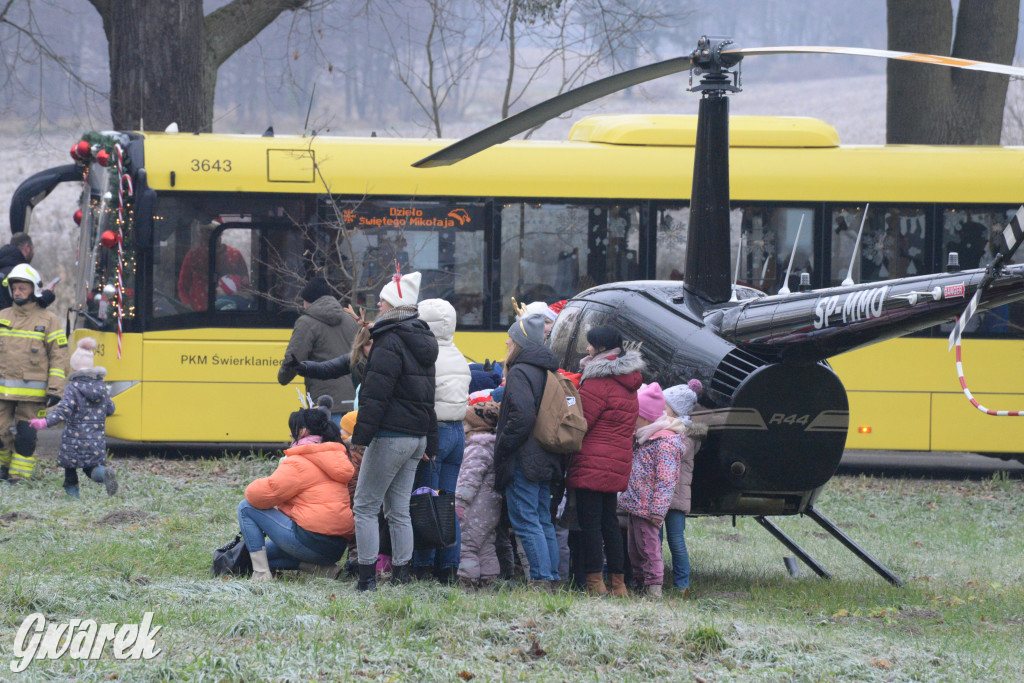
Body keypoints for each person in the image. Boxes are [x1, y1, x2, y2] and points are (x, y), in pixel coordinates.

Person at [349, 271, 438, 591]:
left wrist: (359, 440)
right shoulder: (423, 340)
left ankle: (366, 580)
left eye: (382, 301)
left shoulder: (389, 341)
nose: (378, 306)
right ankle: (400, 576)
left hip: (390, 436)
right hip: (416, 437)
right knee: (399, 510)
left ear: (395, 305)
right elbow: (429, 396)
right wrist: (432, 440)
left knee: (365, 506)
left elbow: (375, 396)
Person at [238, 396, 354, 581]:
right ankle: (320, 569)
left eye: (292, 431)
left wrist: (269, 475)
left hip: (310, 540)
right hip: (335, 548)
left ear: (302, 432)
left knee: (245, 507)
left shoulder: (299, 461)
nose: (290, 436)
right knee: (249, 558)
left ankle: (261, 574)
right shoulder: (335, 456)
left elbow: (257, 496)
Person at [565, 325, 644, 596]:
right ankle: (619, 584)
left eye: (590, 345)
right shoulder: (629, 380)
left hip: (592, 461)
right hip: (617, 461)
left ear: (600, 348)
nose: (587, 349)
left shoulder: (598, 381)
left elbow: (581, 420)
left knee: (591, 524)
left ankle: (594, 582)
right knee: (610, 521)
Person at [493, 312, 562, 589]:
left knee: (526, 520)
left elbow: (521, 417)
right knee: (543, 519)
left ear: (520, 340)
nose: (507, 341)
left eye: (511, 337)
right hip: (545, 454)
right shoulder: (546, 369)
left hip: (524, 456)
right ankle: (552, 577)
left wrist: (504, 445)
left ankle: (542, 580)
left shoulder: (521, 371)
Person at [412, 298, 471, 583]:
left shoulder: (427, 354)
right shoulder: (457, 353)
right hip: (458, 432)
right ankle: (448, 567)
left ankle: (423, 565)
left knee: (424, 499)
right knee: (447, 502)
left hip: (434, 434)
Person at [0, 264, 68, 482]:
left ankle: (19, 476)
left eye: (23, 288)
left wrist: (56, 388)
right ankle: (3, 467)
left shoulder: (49, 320)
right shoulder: (2, 316)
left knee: (26, 437)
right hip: (2, 392)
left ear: (34, 290)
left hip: (33, 394)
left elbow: (59, 357)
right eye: (15, 288)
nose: (18, 292)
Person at [618, 382, 683, 599]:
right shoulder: (645, 438)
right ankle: (640, 582)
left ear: (645, 417)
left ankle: (654, 586)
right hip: (636, 503)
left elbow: (666, 481)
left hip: (648, 508)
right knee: (634, 548)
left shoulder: (664, 443)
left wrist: (658, 511)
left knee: (649, 547)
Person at [29, 338, 117, 497]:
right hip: (96, 439)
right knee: (91, 468)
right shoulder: (102, 387)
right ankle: (103, 474)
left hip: (74, 439)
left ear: (74, 366)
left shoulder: (73, 388)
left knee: (70, 469)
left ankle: (72, 498)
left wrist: (45, 421)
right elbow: (110, 409)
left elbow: (64, 411)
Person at [278, 277, 361, 426]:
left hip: (325, 404)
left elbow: (294, 358)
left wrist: (283, 377)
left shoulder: (307, 323)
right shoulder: (350, 321)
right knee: (347, 448)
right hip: (351, 402)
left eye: (304, 301)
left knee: (327, 448)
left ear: (309, 300)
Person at [663, 379, 707, 595]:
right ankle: (656, 577)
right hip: (662, 492)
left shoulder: (685, 434)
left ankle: (682, 584)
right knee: (657, 538)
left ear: (676, 409)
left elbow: (675, 451)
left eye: (665, 404)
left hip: (675, 495)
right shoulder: (672, 427)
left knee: (676, 540)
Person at [455, 400, 502, 590]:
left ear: (477, 427)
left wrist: (458, 502)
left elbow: (469, 479)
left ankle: (468, 582)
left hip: (474, 508)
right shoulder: (493, 447)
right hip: (491, 509)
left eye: (465, 424)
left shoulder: (476, 448)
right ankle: (489, 580)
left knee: (466, 546)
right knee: (486, 545)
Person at [177, 221, 250, 312]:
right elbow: (183, 286)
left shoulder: (234, 255)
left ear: (220, 233)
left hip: (228, 311)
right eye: (202, 231)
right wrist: (187, 306)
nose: (205, 235)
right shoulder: (193, 255)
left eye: (209, 232)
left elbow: (245, 287)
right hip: (198, 312)